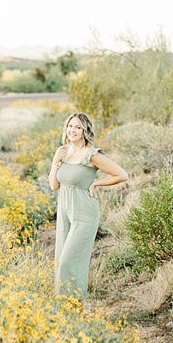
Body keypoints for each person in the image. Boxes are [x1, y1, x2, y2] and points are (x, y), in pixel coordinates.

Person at [48, 112, 128, 304]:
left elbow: (122, 175)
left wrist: (97, 184)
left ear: (85, 130)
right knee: (61, 260)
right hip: (65, 212)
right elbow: (54, 186)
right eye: (70, 126)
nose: (72, 130)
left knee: (70, 261)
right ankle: (65, 307)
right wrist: (55, 162)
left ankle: (76, 305)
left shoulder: (92, 155)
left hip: (84, 214)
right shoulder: (63, 152)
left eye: (77, 127)